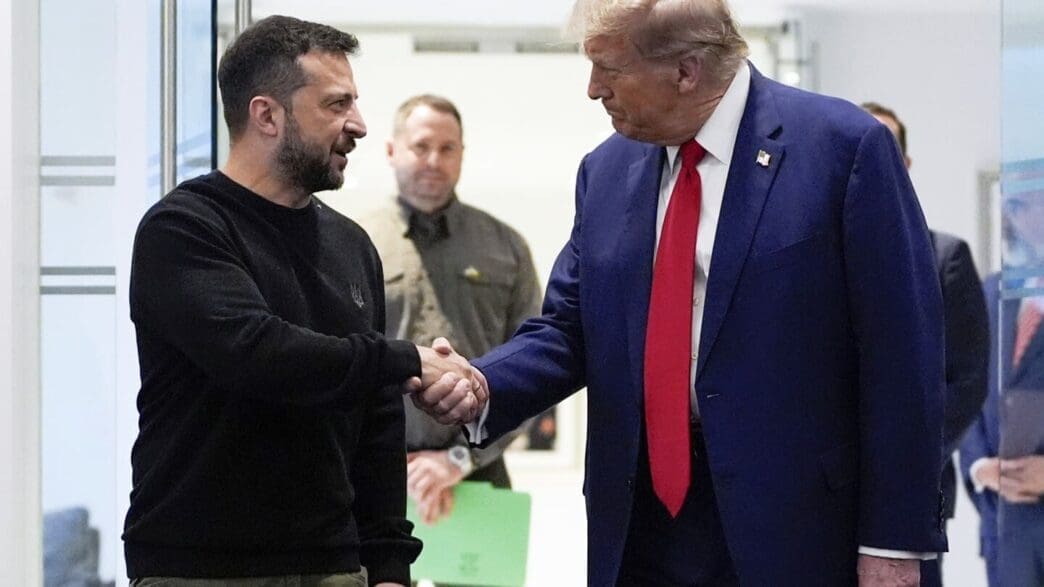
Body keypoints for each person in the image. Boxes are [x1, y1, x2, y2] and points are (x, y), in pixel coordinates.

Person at [418, 0, 949, 584]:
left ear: (686, 70)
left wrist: (895, 544)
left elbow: (902, 358)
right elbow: (570, 327)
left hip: (796, 529)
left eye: (609, 68)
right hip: (642, 526)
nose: (593, 89)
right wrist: (483, 383)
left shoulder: (843, 149)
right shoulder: (606, 172)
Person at [122, 16, 482, 587]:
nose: (358, 125)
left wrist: (388, 567)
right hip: (198, 570)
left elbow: (377, 423)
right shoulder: (184, 229)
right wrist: (408, 360)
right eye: (336, 105)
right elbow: (257, 354)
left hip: (334, 567)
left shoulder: (351, 245)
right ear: (267, 115)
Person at [359, 94, 543, 524]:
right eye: (421, 147)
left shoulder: (506, 247)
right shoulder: (354, 243)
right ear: (392, 150)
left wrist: (459, 460)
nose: (434, 161)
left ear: (462, 154)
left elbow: (532, 369)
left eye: (448, 149)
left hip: (479, 477)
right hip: (375, 476)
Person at [861, 102, 989, 563]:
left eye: (884, 149)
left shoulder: (946, 256)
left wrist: (905, 459)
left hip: (917, 488)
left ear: (905, 163)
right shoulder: (814, 256)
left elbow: (968, 381)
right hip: (824, 493)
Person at [960, 194, 1044, 587]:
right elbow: (965, 389)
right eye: (1020, 205)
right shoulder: (990, 293)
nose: (1033, 215)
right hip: (1004, 524)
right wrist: (979, 467)